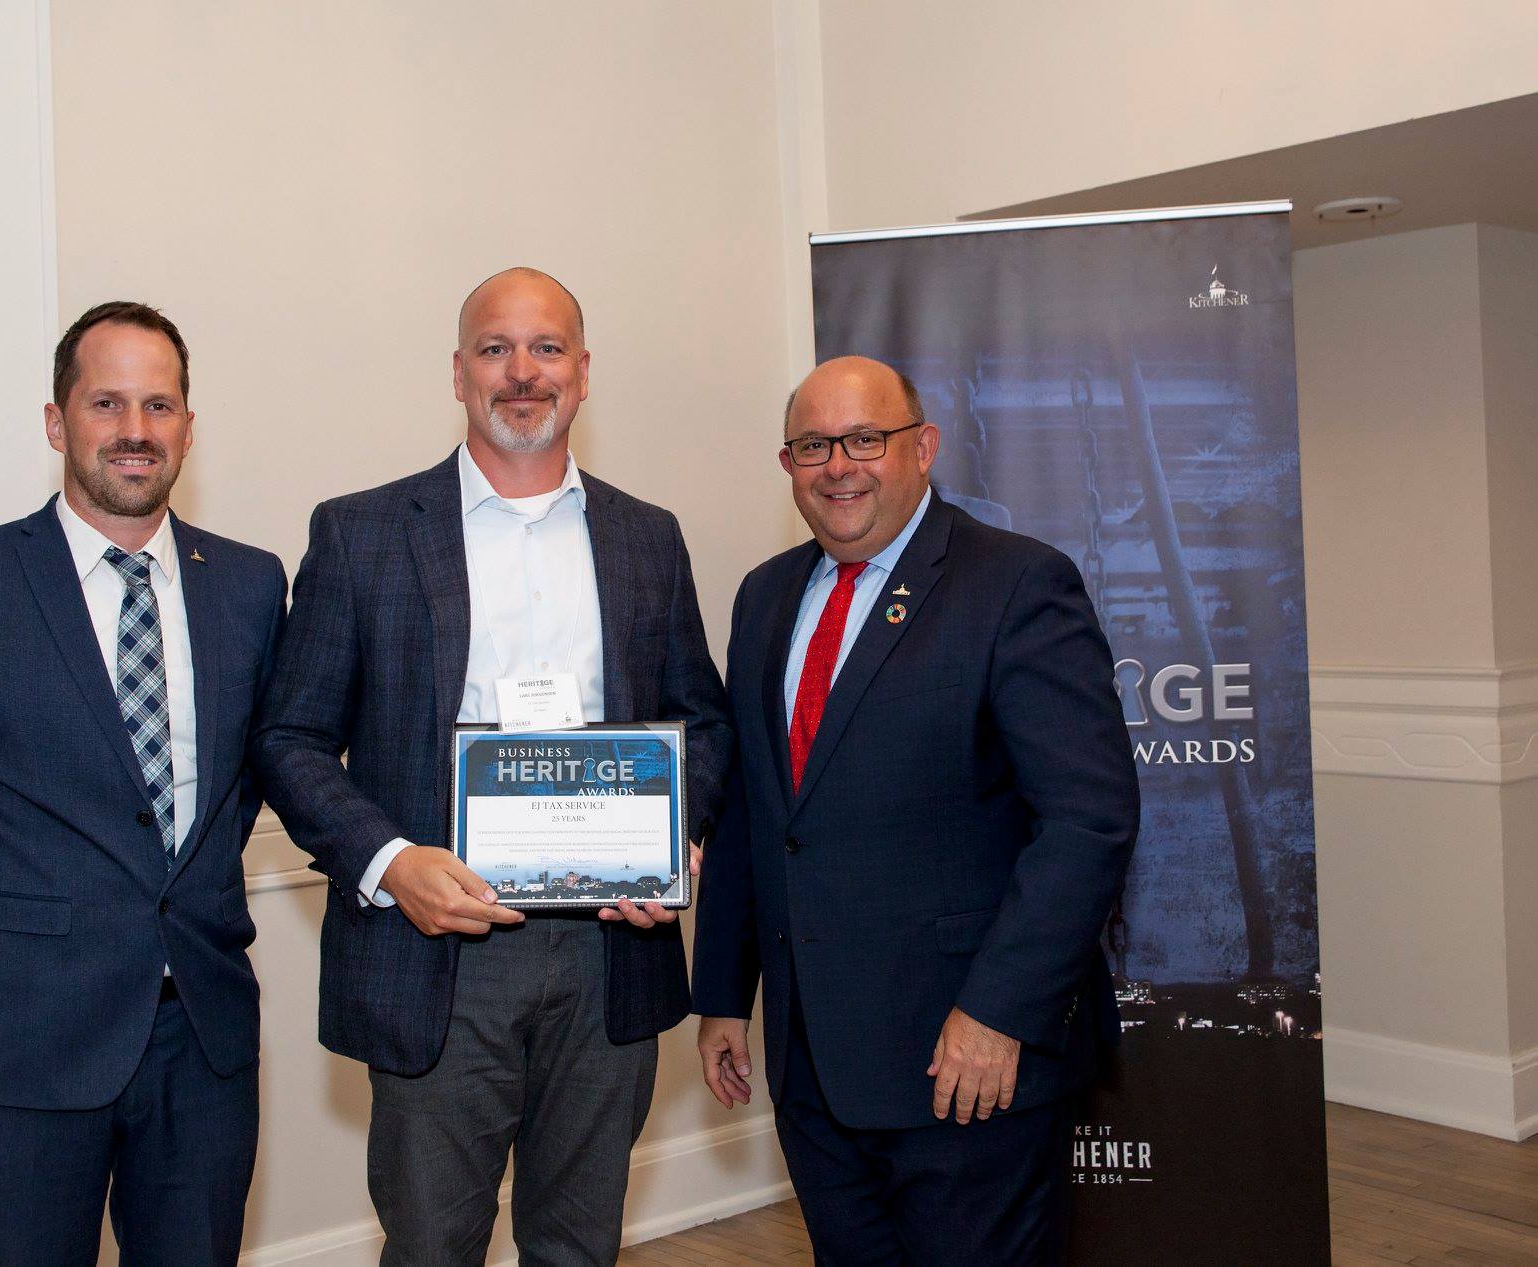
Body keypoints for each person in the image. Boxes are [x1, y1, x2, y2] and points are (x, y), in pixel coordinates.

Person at [256, 268, 730, 1265]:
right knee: (431, 1243)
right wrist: (389, 861)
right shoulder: (361, 533)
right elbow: (288, 739)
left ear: (584, 372)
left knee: (578, 1242)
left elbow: (703, 723)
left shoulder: (648, 537)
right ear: (459, 374)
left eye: (547, 348)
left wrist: (674, 842)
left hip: (610, 950)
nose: (522, 373)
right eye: (495, 348)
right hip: (440, 953)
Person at [691, 356, 1139, 1264]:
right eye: (812, 445)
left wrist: (1000, 1012)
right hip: (813, 1062)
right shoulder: (764, 597)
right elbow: (758, 812)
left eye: (866, 439)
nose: (838, 466)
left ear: (923, 447)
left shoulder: (1016, 584)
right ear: (788, 465)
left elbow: (1087, 820)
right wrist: (723, 996)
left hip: (965, 1064)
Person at [0, 301, 285, 1266]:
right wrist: (12, 936)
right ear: (58, 423)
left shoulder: (253, 585)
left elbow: (239, 787)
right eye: (107, 403)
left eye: (159, 404)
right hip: (22, 1040)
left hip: (203, 1043)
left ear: (187, 424)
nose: (135, 430)